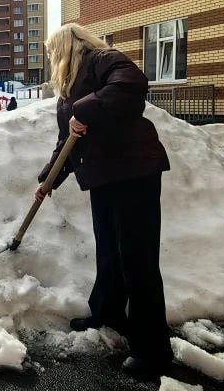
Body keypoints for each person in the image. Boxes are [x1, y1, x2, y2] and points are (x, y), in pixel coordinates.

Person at [34, 23, 172, 379]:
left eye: (52, 51)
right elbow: (68, 139)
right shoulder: (70, 87)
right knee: (109, 251)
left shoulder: (103, 58)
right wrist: (48, 180)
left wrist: (85, 111)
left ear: (67, 46)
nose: (52, 58)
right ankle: (108, 314)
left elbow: (132, 85)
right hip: (103, 177)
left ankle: (153, 349)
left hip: (133, 172)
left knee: (137, 259)